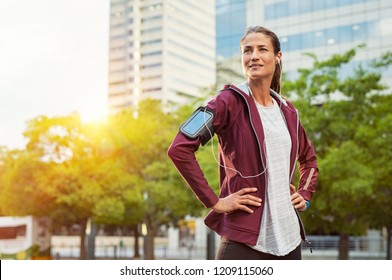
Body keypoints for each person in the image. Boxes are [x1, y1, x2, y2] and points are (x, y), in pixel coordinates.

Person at [167, 26, 318, 260]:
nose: (254, 56)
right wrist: (214, 201)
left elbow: (308, 159)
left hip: (290, 242)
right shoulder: (226, 102)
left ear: (278, 57)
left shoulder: (288, 111)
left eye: (262, 49)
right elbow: (179, 149)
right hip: (244, 243)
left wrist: (305, 194)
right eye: (247, 50)